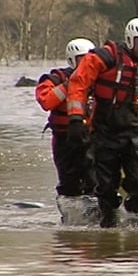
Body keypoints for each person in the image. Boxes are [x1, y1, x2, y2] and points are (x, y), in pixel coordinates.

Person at [66, 18, 138, 228]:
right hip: (104, 130)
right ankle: (108, 223)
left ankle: (137, 225)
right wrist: (76, 118)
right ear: (130, 40)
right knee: (106, 185)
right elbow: (78, 84)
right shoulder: (104, 58)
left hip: (136, 131)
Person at [35, 37, 97, 200]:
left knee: (94, 178)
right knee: (70, 182)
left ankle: (99, 208)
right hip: (66, 140)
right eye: (82, 60)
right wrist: (69, 86)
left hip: (93, 137)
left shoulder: (99, 79)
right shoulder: (55, 79)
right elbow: (46, 101)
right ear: (72, 60)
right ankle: (72, 211)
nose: (86, 65)